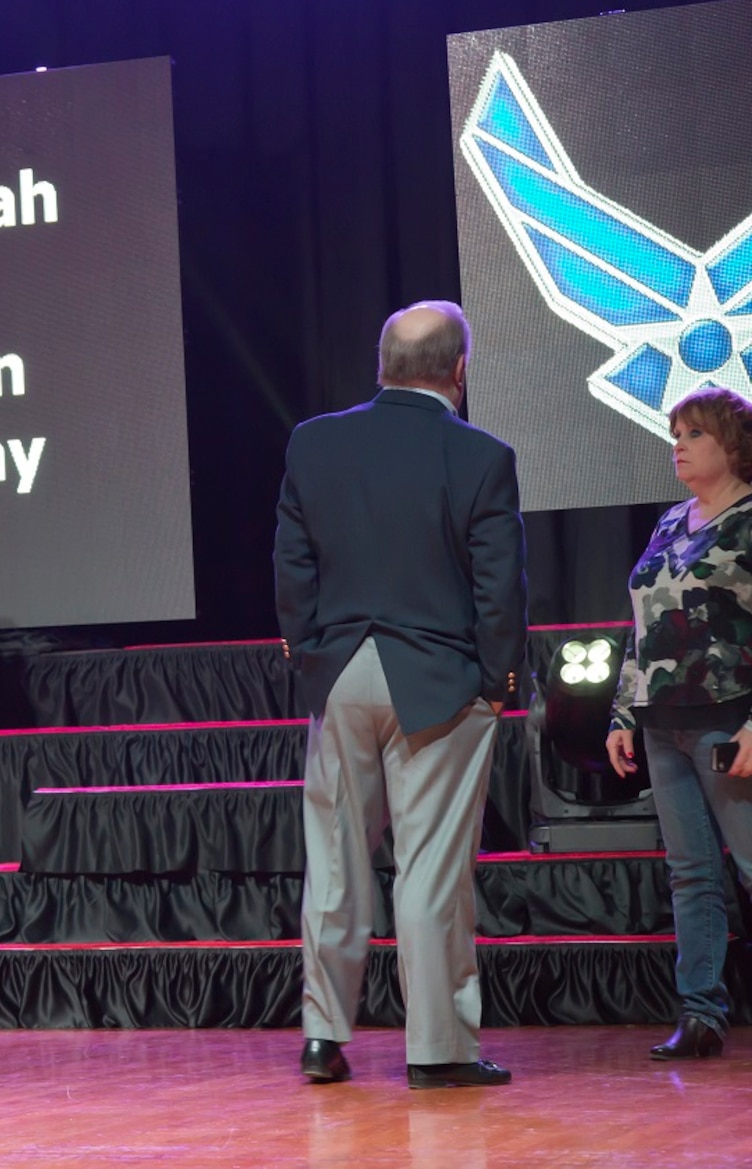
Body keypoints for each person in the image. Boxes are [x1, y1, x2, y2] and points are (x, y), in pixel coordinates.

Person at [274, 300, 526, 1089]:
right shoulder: (481, 455)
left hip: (342, 671)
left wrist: (312, 654)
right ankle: (437, 1048)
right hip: (440, 678)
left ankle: (323, 1035)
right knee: (429, 867)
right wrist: (497, 681)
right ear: (460, 370)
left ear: (381, 364)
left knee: (335, 859)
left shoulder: (314, 441)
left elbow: (291, 564)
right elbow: (498, 588)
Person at [605, 387, 752, 1061]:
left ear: (731, 444)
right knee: (690, 872)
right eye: (676, 435)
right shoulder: (669, 521)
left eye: (694, 433)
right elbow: (642, 625)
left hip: (728, 721)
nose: (680, 446)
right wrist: (621, 712)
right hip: (661, 722)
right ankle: (700, 1013)